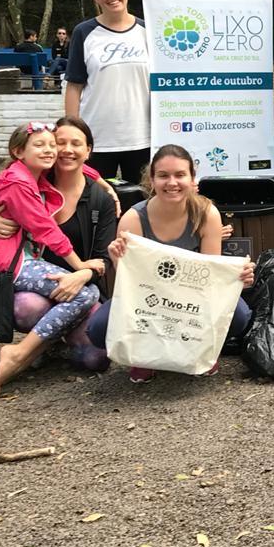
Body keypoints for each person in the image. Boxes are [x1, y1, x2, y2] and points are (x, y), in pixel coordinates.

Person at [86, 145, 255, 382]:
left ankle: (202, 348)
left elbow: (211, 276)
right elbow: (130, 285)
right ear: (151, 180)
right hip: (148, 298)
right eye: (163, 175)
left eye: (180, 175)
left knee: (239, 315)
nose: (172, 182)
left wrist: (236, 275)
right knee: (98, 328)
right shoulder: (133, 219)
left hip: (194, 297)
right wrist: (117, 258)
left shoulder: (207, 214)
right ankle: (143, 355)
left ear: (192, 179)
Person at [0, 116, 119, 371]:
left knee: (93, 360)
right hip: (27, 279)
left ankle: (43, 343)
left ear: (88, 151)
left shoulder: (99, 199)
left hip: (72, 279)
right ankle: (26, 350)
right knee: (28, 308)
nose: (63, 150)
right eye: (58, 142)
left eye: (76, 144)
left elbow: (105, 258)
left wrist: (82, 273)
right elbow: (40, 229)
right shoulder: (31, 180)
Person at [65, 0, 150, 182]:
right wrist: (72, 132)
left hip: (143, 136)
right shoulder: (84, 32)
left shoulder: (148, 31)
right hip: (97, 137)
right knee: (94, 203)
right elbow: (74, 85)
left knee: (141, 203)